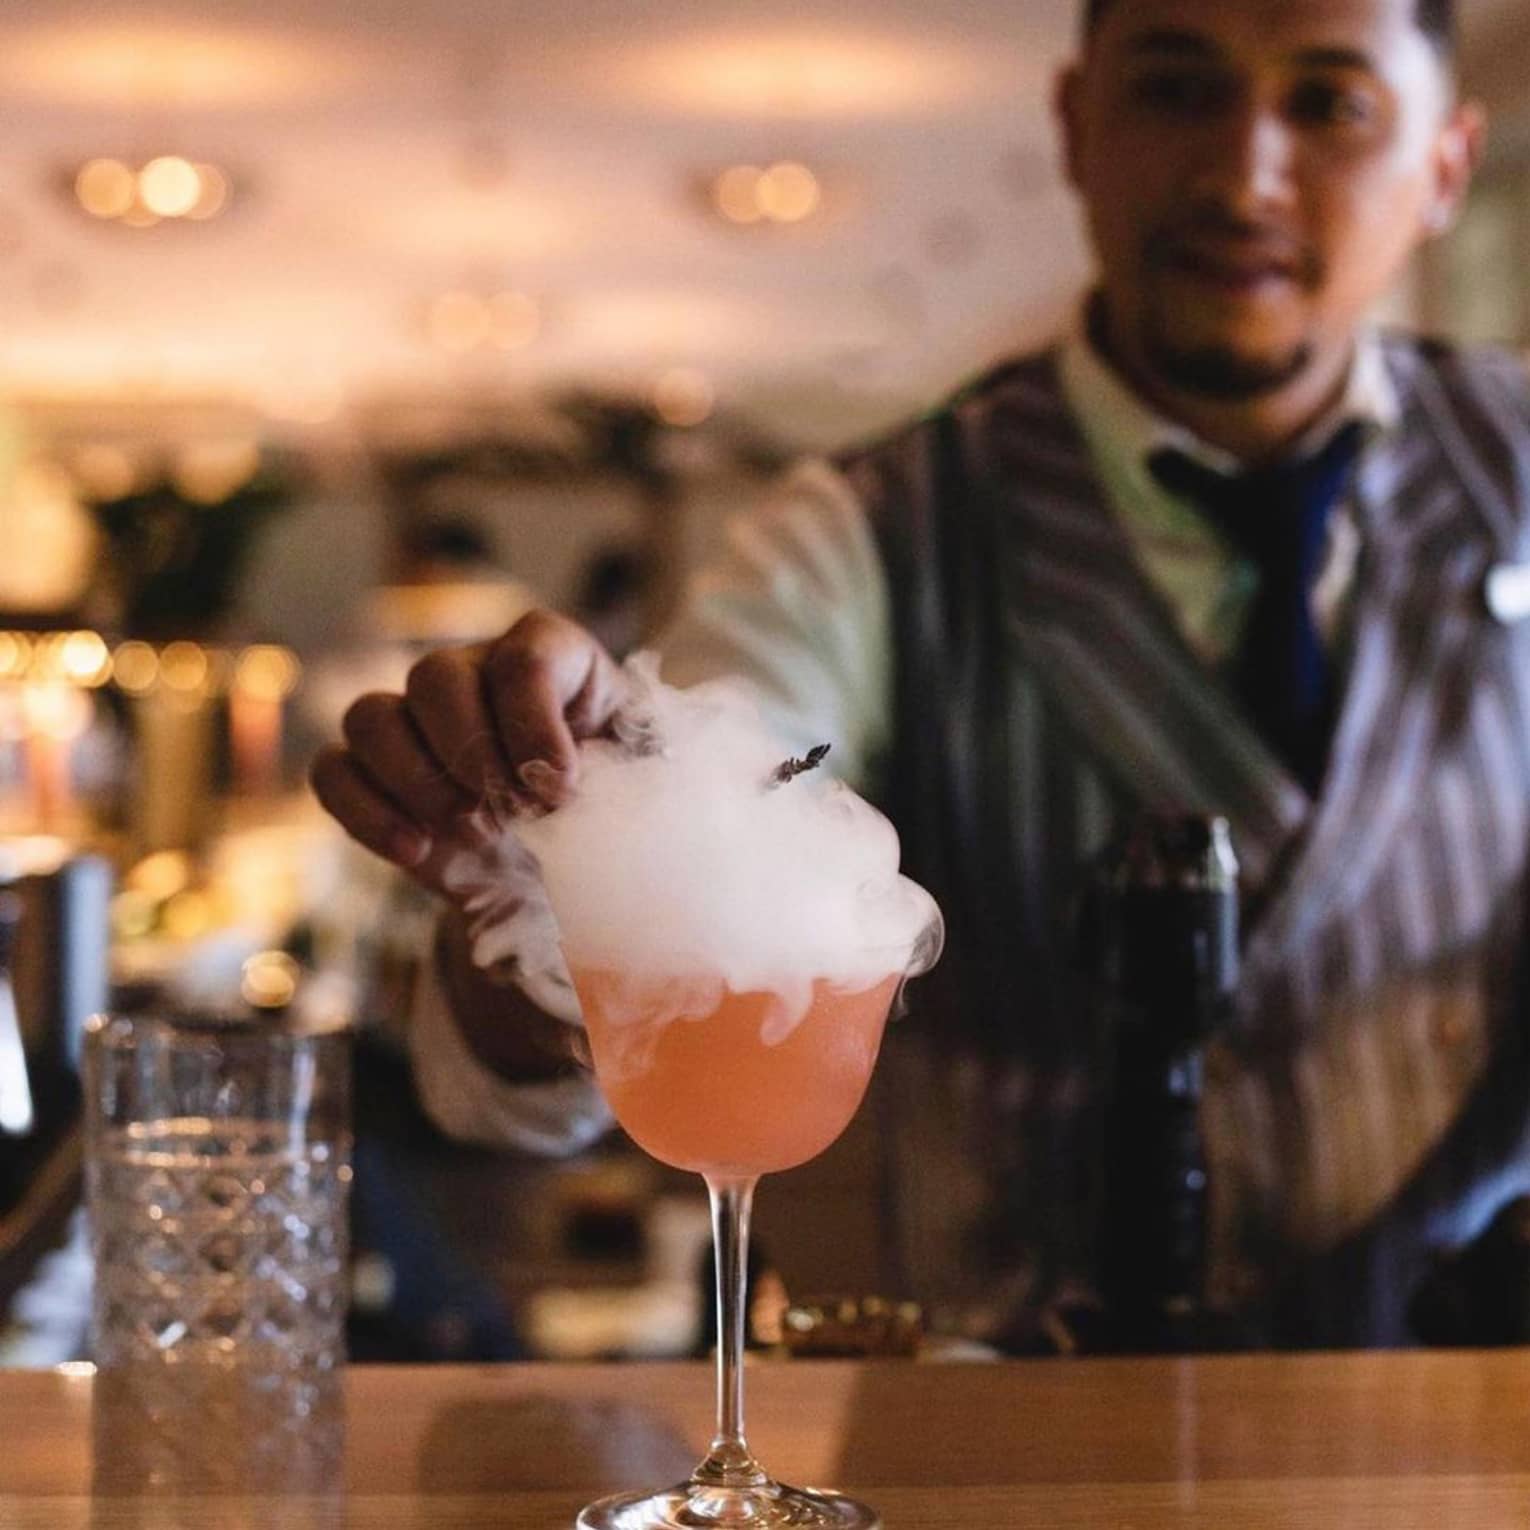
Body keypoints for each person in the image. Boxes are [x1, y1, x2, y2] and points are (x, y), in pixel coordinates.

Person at [313, 0, 1530, 1348]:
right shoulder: (867, 532)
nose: (1241, 170)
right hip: (986, 1428)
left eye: (1328, 106)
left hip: (1461, 1415)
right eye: (1177, 89)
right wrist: (566, 845)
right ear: (1075, 125)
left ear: (1443, 166)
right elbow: (709, 791)